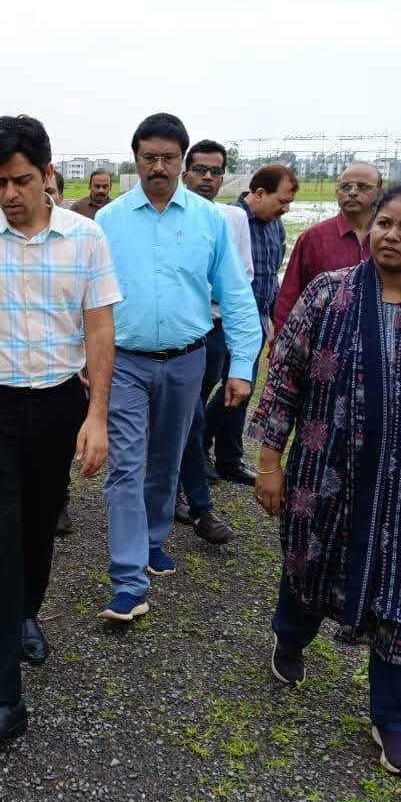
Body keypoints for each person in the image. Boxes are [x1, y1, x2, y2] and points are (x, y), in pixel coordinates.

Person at [250, 180, 401, 777]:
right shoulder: (327, 296)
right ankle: (291, 637)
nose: (392, 235)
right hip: (327, 479)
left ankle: (395, 720)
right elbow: (284, 379)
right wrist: (269, 463)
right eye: (385, 223)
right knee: (310, 566)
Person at [0, 115, 119, 741]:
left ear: (47, 175)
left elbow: (99, 327)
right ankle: (3, 696)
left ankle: (26, 614)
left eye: (20, 181)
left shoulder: (86, 238)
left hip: (58, 404)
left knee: (39, 526)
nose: (8, 194)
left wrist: (97, 415)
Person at [96, 113, 260, 623]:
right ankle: (128, 580)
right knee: (125, 465)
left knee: (167, 459)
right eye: (149, 157)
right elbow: (88, 298)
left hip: (188, 359)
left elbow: (236, 295)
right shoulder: (109, 222)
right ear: (136, 159)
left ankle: (151, 538)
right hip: (124, 362)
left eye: (169, 158)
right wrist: (86, 357)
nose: (159, 167)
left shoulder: (210, 221)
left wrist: (242, 365)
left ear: (182, 162)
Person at [174, 139, 252, 542]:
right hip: (178, 334)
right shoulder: (168, 216)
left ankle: (186, 494)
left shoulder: (231, 219)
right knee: (189, 416)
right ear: (185, 173)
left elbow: (241, 280)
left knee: (193, 415)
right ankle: (195, 503)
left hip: (215, 331)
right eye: (200, 170)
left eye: (215, 171)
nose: (207, 178)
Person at [205, 163, 296, 485]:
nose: (285, 209)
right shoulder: (228, 220)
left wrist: (273, 321)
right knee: (213, 388)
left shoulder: (275, 226)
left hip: (255, 320)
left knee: (242, 391)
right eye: (281, 201)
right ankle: (197, 448)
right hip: (221, 321)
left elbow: (271, 274)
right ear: (259, 193)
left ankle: (229, 458)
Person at [272, 162, 381, 335]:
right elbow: (289, 297)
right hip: (322, 341)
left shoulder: (389, 239)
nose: (352, 192)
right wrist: (281, 341)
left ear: (379, 192)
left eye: (362, 187)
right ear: (337, 192)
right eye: (345, 187)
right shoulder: (313, 238)